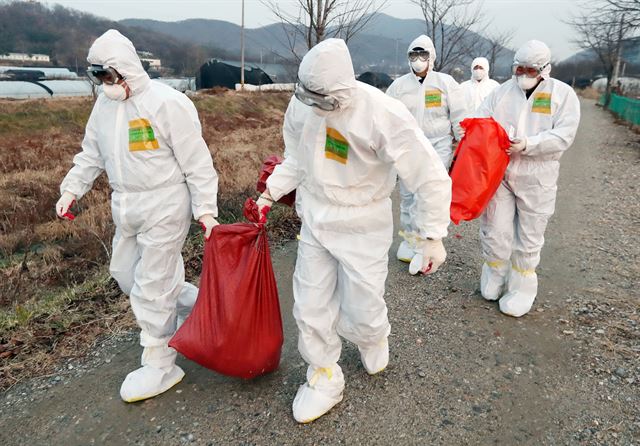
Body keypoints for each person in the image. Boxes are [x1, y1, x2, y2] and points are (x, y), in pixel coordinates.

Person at [257, 39, 451, 423]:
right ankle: (323, 375)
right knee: (310, 304)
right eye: (309, 98)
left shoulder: (382, 114)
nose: (315, 107)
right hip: (315, 214)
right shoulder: (303, 104)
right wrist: (270, 193)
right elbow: (295, 157)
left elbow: (428, 175)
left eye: (323, 100)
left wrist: (431, 235)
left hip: (364, 222)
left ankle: (373, 335)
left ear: (342, 90)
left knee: (362, 307)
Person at [55, 30, 219, 402]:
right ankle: (195, 308)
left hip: (165, 202)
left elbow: (198, 163)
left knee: (151, 285)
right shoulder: (105, 106)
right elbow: (91, 154)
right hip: (126, 204)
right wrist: (71, 189)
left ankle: (161, 363)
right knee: (125, 274)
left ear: (127, 69)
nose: (106, 85)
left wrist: (205, 210)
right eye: (99, 78)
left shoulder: (167, 104)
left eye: (110, 76)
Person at [475, 40, 580, 317]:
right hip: (501, 171)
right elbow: (482, 120)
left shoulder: (562, 94)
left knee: (529, 235)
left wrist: (529, 144)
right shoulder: (502, 92)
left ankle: (522, 287)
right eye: (519, 67)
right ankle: (495, 273)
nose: (523, 73)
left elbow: (564, 135)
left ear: (544, 69)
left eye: (530, 69)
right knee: (495, 228)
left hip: (538, 174)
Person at [386, 35, 466, 263]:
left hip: (438, 145)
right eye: (414, 55)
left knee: (430, 193)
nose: (418, 60)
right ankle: (410, 239)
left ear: (431, 57)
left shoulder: (445, 83)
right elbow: (386, 117)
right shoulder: (399, 86)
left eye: (422, 55)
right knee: (409, 194)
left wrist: (463, 145)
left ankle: (427, 241)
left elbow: (460, 117)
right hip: (409, 147)